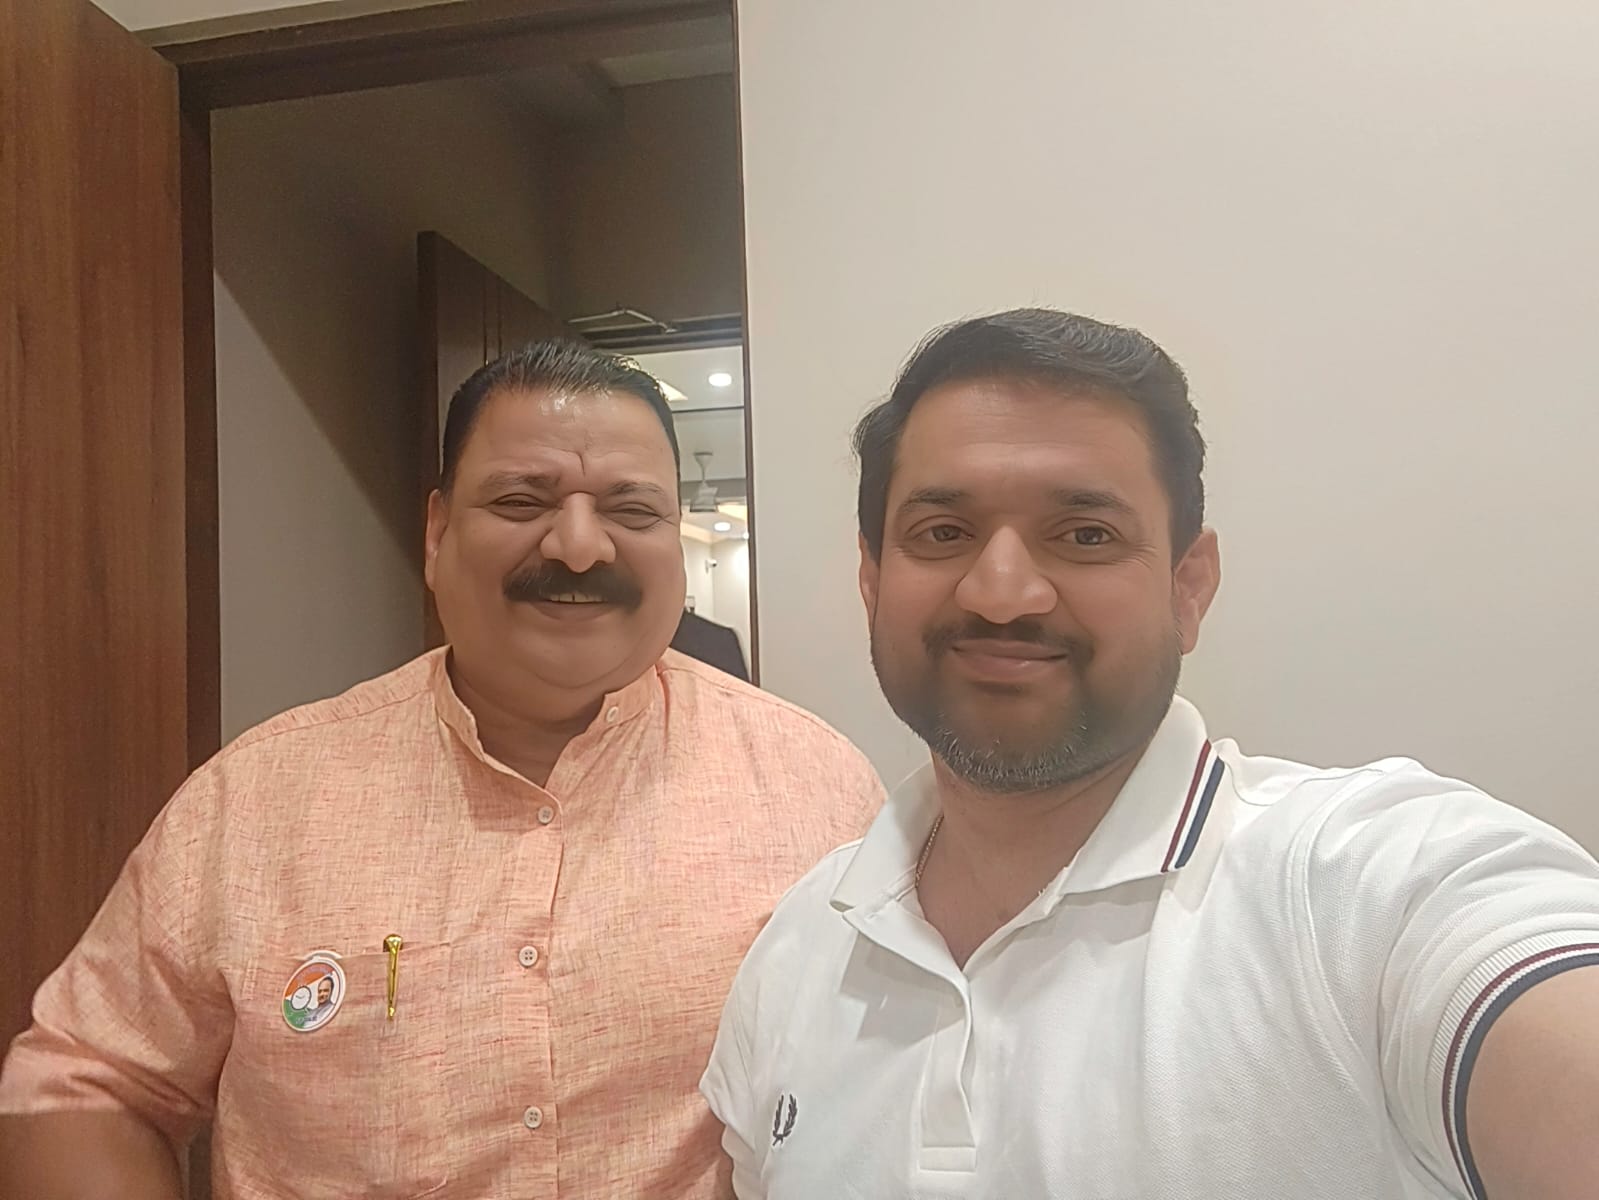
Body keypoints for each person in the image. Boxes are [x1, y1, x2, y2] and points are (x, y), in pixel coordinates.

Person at [701, 309, 1599, 1199]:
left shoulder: (1367, 886)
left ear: (1187, 589)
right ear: (872, 581)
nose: (1001, 593)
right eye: (942, 533)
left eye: (1084, 535)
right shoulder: (799, 944)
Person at [0, 340, 884, 1199]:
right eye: (521, 500)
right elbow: (84, 1081)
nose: (580, 546)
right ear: (436, 532)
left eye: (633, 509)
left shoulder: (816, 790)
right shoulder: (255, 802)